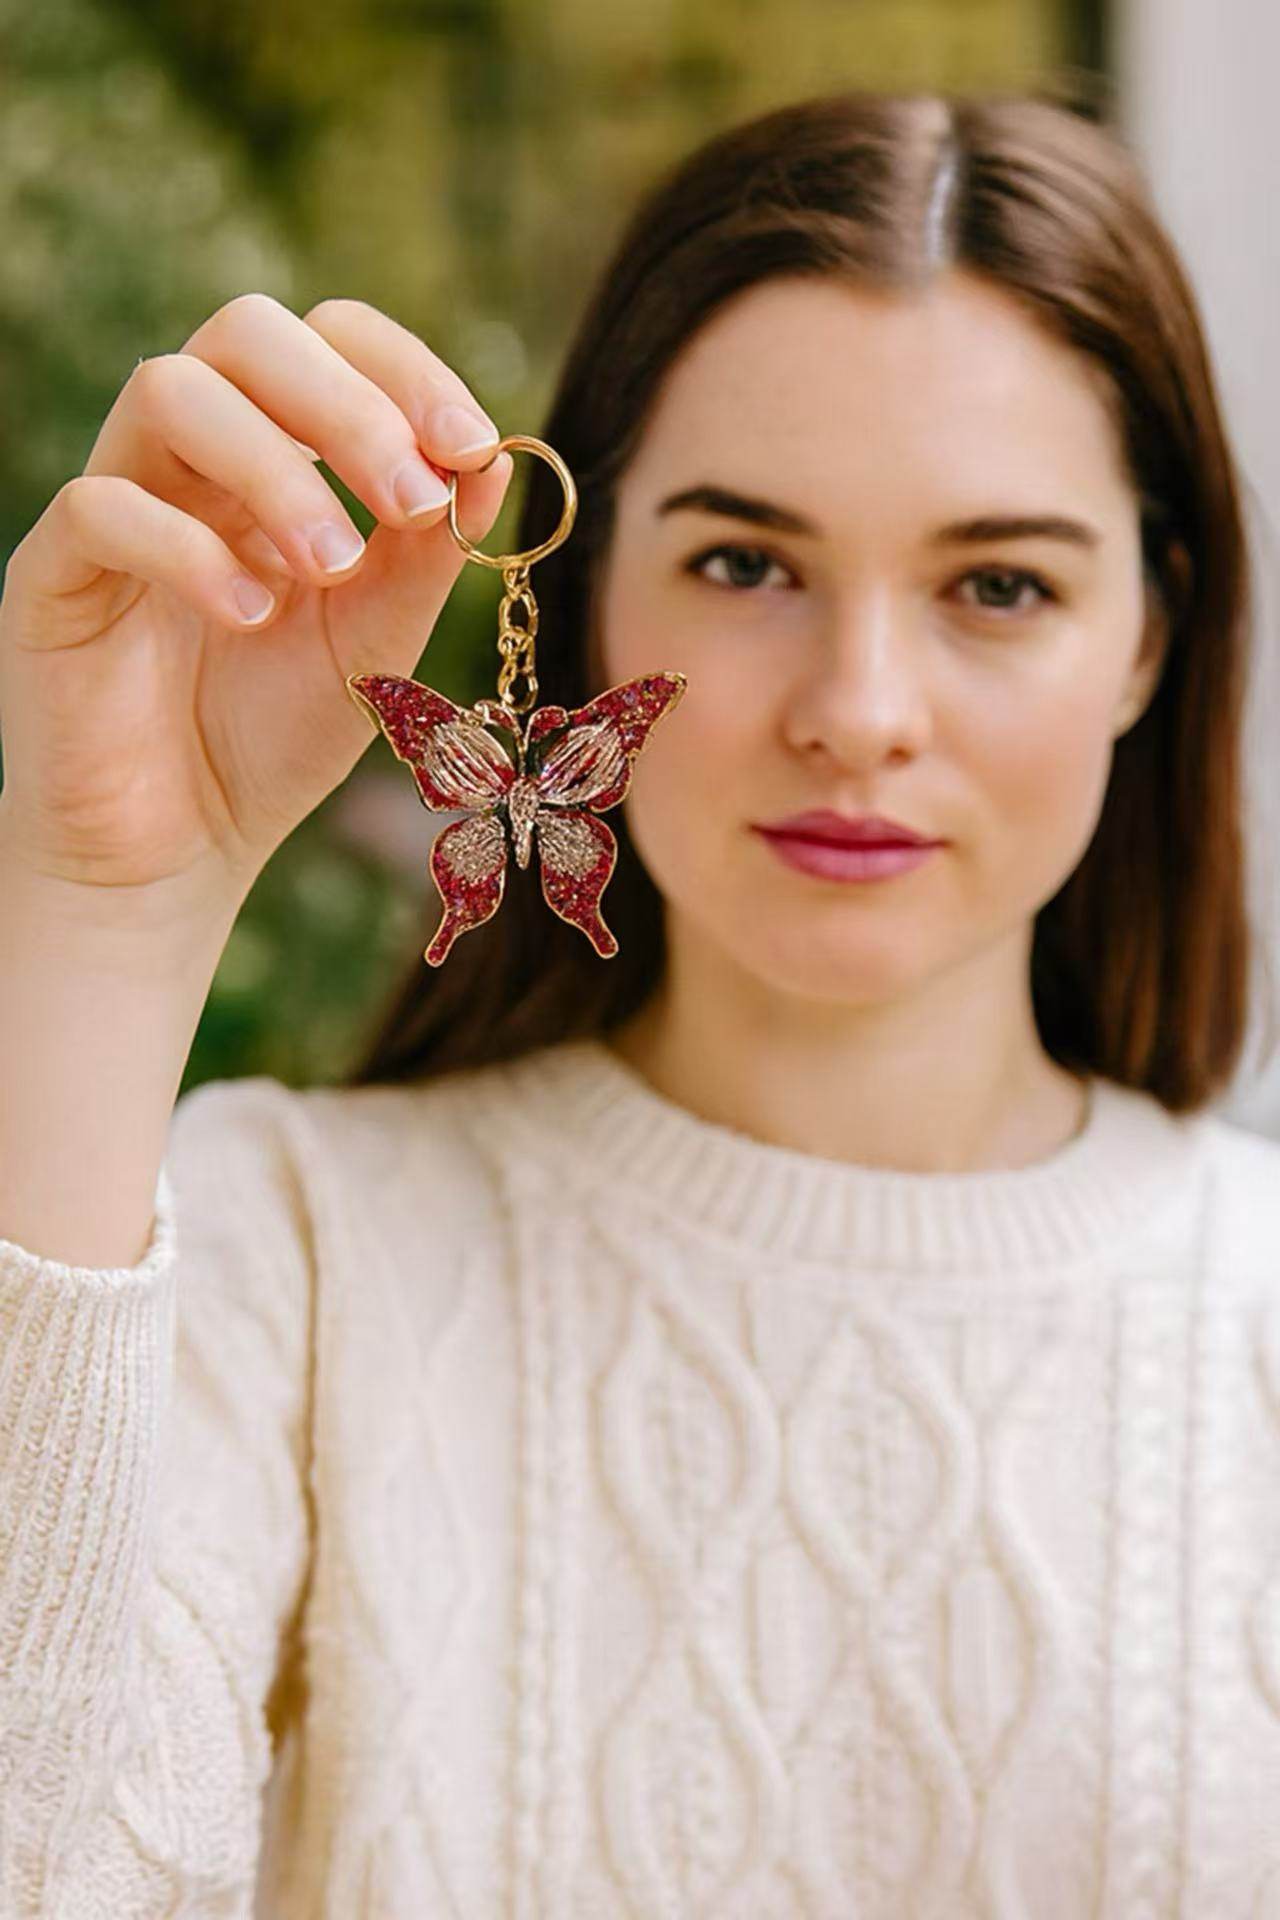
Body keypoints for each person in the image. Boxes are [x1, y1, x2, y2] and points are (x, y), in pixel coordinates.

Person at [1, 83, 1278, 1918]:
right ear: (587, 599)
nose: (857, 705)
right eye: (745, 564)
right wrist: (106, 905)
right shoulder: (293, 1258)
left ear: (1150, 636)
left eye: (998, 583)